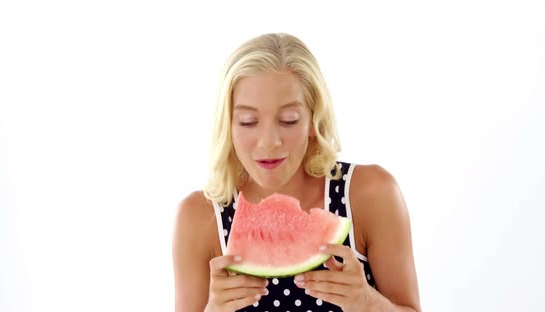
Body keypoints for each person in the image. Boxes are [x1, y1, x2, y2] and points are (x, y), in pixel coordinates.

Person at [172, 32, 421, 312]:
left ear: (314, 121)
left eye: (288, 121)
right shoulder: (199, 218)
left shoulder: (369, 194)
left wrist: (369, 303)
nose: (269, 142)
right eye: (248, 121)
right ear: (227, 127)